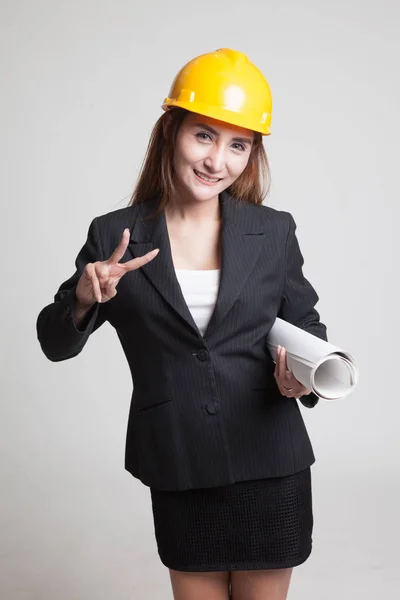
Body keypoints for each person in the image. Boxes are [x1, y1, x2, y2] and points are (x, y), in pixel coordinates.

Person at [37, 48, 328, 600]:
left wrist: (306, 376)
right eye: (203, 136)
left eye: (237, 145)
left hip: (271, 463)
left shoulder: (273, 231)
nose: (217, 160)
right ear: (171, 131)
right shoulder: (114, 235)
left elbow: (306, 326)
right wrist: (81, 297)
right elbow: (54, 342)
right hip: (179, 462)